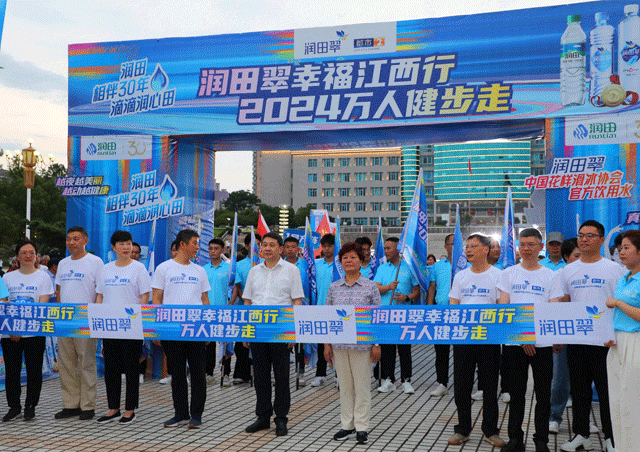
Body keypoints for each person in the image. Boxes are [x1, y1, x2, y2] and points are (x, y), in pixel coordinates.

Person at [557, 220, 625, 452]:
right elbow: (564, 303)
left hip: (607, 341)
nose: (584, 239)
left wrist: (616, 335)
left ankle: (611, 438)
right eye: (581, 235)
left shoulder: (615, 269)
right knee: (579, 391)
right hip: (577, 340)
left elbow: (621, 304)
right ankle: (581, 434)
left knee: (608, 392)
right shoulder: (568, 270)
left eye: (590, 235)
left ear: (602, 240)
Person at [497, 228, 563, 452]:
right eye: (522, 244)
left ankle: (541, 440)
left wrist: (537, 337)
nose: (526, 249)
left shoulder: (551, 275)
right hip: (514, 342)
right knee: (516, 394)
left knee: (543, 395)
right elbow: (504, 308)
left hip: (542, 343)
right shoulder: (508, 274)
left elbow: (553, 309)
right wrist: (524, 336)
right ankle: (515, 439)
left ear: (540, 246)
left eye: (531, 244)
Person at [243, 232, 304, 437]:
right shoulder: (254, 271)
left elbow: (297, 301)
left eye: (272, 245)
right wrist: (247, 332)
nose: (267, 248)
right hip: (258, 330)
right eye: (264, 245)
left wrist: (293, 332)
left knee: (281, 376)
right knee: (260, 375)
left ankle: (281, 418)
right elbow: (248, 302)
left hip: (281, 330)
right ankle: (263, 417)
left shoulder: (292, 270)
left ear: (280, 249)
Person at [447, 233, 505, 448]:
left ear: (486, 249)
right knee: (462, 385)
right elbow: (453, 305)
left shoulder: (498, 275)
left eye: (473, 246)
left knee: (489, 385)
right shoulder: (461, 276)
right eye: (467, 246)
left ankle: (490, 431)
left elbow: (502, 307)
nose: (468, 250)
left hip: (489, 338)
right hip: (463, 338)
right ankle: (462, 429)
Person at [152, 229, 210, 429]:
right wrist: (157, 328)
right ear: (183, 244)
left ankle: (196, 414)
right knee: (176, 374)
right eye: (194, 243)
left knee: (198, 373)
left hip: (196, 329)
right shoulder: (164, 268)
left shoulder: (199, 270)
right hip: (172, 329)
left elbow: (205, 299)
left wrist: (207, 328)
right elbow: (156, 298)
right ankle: (180, 413)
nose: (197, 247)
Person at [324, 242, 381, 445]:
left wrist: (376, 344)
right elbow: (328, 317)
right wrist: (326, 345)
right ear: (340, 262)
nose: (349, 261)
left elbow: (377, 318)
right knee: (345, 387)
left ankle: (362, 427)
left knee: (362, 386)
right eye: (345, 258)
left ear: (361, 260)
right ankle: (347, 425)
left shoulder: (370, 286)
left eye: (353, 257)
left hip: (362, 346)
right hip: (339, 346)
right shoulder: (334, 287)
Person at [95, 230, 151, 425]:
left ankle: (130, 410)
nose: (126, 247)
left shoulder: (139, 268)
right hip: (110, 327)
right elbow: (100, 296)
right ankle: (113, 408)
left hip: (131, 327)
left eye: (128, 243)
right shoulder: (106, 269)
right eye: (121, 244)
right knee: (111, 369)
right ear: (113, 247)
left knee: (131, 369)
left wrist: (141, 323)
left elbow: (145, 296)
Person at [54, 226, 104, 421]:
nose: (71, 242)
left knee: (86, 363)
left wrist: (96, 315)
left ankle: (87, 405)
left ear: (85, 240)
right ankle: (70, 404)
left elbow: (100, 291)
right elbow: (59, 291)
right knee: (66, 363)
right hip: (65, 320)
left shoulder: (95, 262)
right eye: (69, 239)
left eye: (76, 239)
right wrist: (59, 316)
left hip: (86, 319)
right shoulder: (63, 263)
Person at [1, 240, 50, 422]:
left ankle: (31, 406)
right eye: (24, 252)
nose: (28, 256)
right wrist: (14, 328)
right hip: (11, 333)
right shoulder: (7, 278)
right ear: (17, 256)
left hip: (34, 332)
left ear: (36, 256)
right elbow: (4, 305)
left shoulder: (43, 277)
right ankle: (14, 407)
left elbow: (42, 307)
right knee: (12, 371)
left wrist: (24, 327)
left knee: (34, 370)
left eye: (31, 252)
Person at [605, 230, 640, 452]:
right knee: (617, 400)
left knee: (633, 399)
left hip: (636, 341)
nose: (621, 252)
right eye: (620, 248)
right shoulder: (623, 279)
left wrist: (618, 303)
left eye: (627, 247)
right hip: (618, 342)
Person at [374, 237, 420, 394]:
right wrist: (389, 287)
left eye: (389, 248)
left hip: (404, 315)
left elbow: (417, 290)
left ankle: (406, 380)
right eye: (385, 248)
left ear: (398, 250)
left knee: (404, 349)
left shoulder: (408, 268)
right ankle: (389, 379)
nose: (386, 251)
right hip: (385, 315)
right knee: (387, 348)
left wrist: (406, 297)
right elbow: (376, 288)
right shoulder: (382, 268)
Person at [548, 237, 577, 435]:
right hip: (564, 331)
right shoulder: (558, 275)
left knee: (582, 379)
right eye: (577, 255)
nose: (581, 259)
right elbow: (556, 304)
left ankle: (582, 421)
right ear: (566, 257)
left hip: (587, 332)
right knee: (560, 378)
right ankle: (554, 417)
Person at [230, 232, 260, 385]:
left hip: (262, 311)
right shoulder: (240, 265)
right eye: (254, 244)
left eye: (259, 244)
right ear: (247, 246)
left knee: (259, 342)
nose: (257, 247)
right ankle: (242, 374)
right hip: (244, 309)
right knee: (242, 343)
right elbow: (237, 287)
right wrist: (248, 299)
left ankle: (260, 373)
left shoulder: (265, 264)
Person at [202, 238, 231, 386]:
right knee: (209, 343)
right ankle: (209, 373)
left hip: (224, 310)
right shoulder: (203, 269)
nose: (213, 251)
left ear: (222, 250)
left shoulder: (229, 268)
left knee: (225, 343)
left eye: (216, 248)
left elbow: (234, 288)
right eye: (211, 248)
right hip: (207, 311)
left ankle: (225, 374)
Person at [427, 234, 453, 397]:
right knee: (441, 351)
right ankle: (442, 383)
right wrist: (430, 309)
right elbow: (432, 287)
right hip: (441, 312)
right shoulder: (437, 266)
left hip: (462, 313)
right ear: (445, 246)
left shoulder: (466, 265)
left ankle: (464, 383)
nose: (455, 247)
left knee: (463, 352)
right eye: (452, 244)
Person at [283, 236, 310, 386]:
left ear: (298, 249)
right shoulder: (279, 265)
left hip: (302, 307)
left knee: (300, 342)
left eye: (293, 247)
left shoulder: (306, 265)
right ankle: (282, 373)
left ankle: (301, 372)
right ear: (283, 249)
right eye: (287, 247)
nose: (290, 249)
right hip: (284, 309)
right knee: (284, 342)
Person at [311, 233, 335, 387]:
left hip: (338, 309)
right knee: (321, 344)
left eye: (330, 246)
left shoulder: (341, 265)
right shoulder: (316, 265)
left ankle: (339, 375)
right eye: (324, 246)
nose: (327, 249)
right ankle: (320, 374)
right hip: (320, 308)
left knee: (337, 343)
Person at [158, 240, 179, 386]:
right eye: (173, 250)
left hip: (188, 320)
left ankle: (185, 373)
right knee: (170, 351)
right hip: (169, 318)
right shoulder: (164, 268)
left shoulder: (196, 269)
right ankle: (169, 373)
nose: (175, 252)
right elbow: (157, 296)